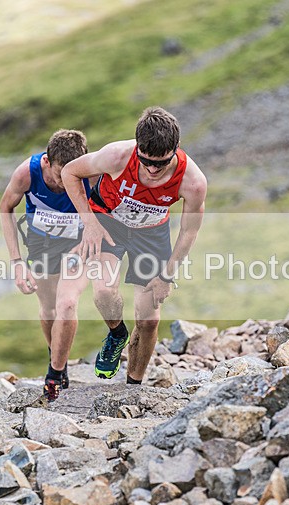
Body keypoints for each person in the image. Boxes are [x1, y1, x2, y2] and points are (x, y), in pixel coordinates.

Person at [61, 107, 207, 384]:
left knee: (149, 319)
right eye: (145, 161)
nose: (152, 170)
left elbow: (189, 231)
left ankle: (133, 385)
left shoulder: (193, 182)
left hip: (151, 234)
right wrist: (90, 223)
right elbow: (70, 172)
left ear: (175, 150)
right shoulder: (116, 155)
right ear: (137, 147)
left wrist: (167, 275)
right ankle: (117, 334)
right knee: (104, 291)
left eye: (161, 163)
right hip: (108, 222)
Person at [0, 129, 92, 401]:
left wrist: (89, 239)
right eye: (59, 175)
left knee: (67, 304)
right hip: (41, 245)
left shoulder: (92, 173)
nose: (66, 183)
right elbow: (5, 208)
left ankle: (54, 373)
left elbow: (108, 210)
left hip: (78, 245)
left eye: (71, 176)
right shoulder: (27, 173)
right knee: (49, 307)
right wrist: (17, 262)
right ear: (46, 163)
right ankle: (58, 359)